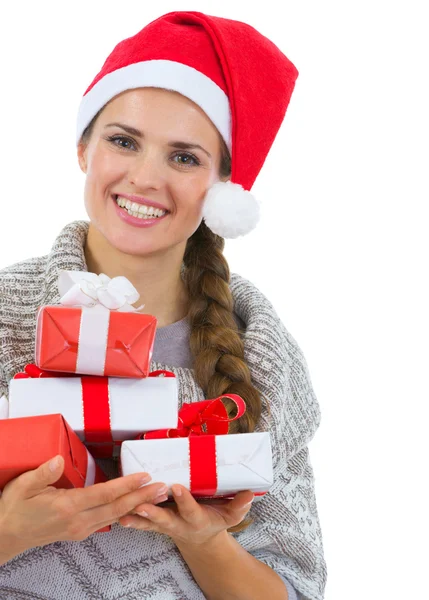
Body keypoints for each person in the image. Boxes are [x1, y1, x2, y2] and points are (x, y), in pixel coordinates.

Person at [0, 10, 327, 600]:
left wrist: (205, 541)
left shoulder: (261, 355)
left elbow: (295, 590)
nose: (146, 178)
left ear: (222, 187)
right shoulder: (5, 318)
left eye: (184, 157)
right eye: (124, 141)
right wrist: (9, 532)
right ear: (84, 149)